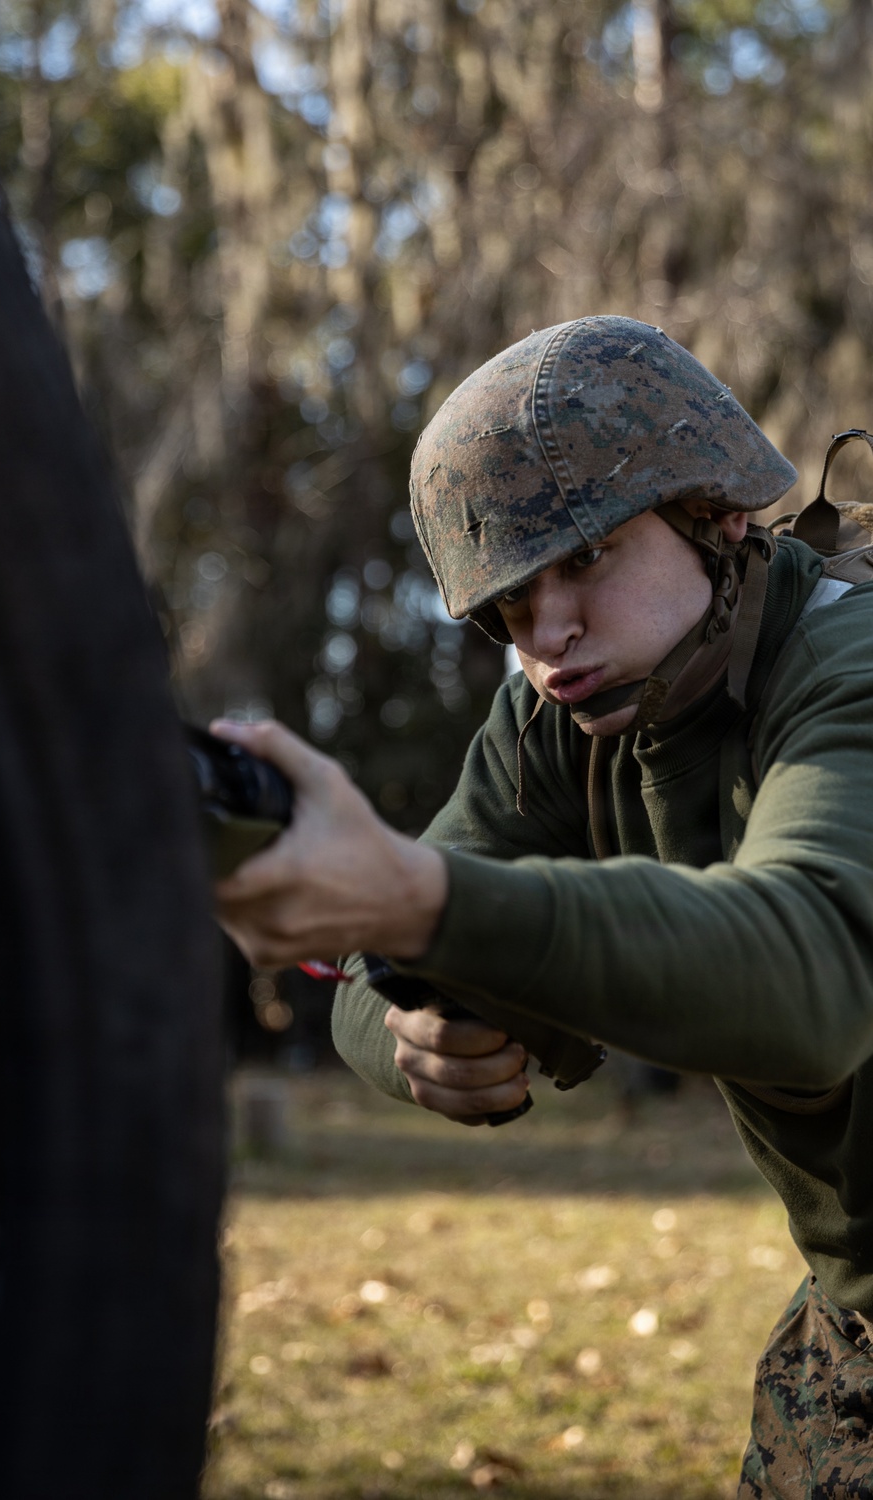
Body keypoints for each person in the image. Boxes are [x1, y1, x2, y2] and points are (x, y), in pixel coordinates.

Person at [214, 315, 873, 1496]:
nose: (548, 634)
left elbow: (811, 977)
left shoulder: (851, 667)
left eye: (588, 559)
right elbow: (370, 977)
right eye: (511, 604)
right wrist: (418, 1034)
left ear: (716, 515)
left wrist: (421, 905)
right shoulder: (568, 716)